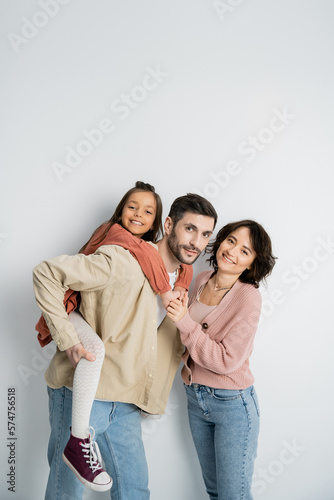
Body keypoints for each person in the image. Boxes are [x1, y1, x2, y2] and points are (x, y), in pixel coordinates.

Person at [33, 185, 217, 500]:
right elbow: (46, 273)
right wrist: (66, 339)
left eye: (204, 234)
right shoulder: (122, 259)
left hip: (127, 397)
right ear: (169, 225)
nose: (196, 242)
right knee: (68, 491)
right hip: (85, 392)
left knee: (133, 489)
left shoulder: (182, 280)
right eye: (190, 229)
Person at [167, 220, 276, 500]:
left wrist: (184, 322)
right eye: (231, 241)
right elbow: (187, 339)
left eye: (245, 251)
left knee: (232, 495)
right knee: (215, 491)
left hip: (232, 404)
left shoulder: (248, 297)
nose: (233, 251)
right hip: (194, 398)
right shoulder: (202, 279)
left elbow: (227, 360)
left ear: (252, 264)